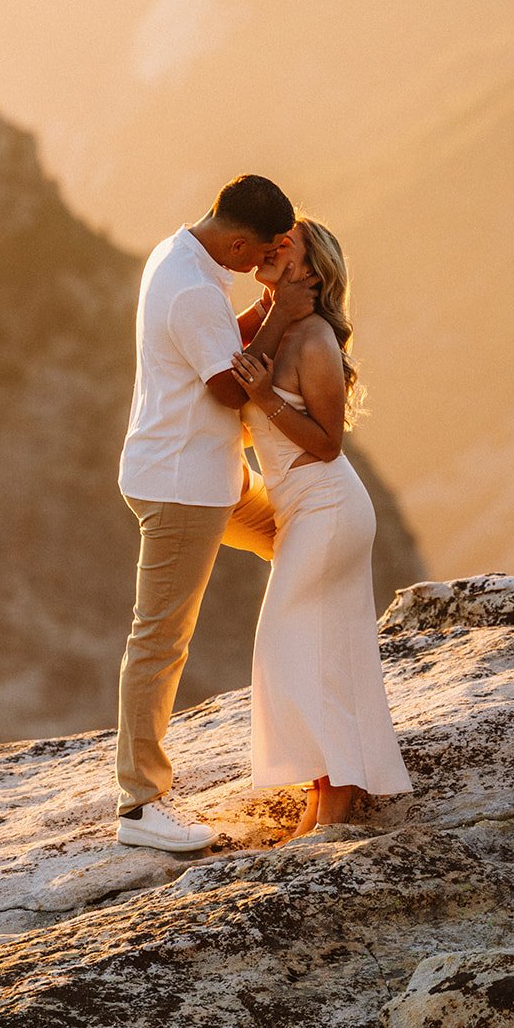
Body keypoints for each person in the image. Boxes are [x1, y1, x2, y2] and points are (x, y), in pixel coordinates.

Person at [115, 174, 317, 853]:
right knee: (159, 639)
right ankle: (141, 806)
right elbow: (232, 389)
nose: (258, 263)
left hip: (206, 477)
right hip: (183, 488)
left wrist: (267, 303)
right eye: (257, 253)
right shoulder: (195, 289)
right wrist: (284, 312)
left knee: (307, 542)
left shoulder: (178, 256)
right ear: (236, 240)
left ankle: (311, 717)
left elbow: (213, 344)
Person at [231, 216, 412, 838]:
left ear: (310, 268)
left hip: (328, 506)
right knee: (318, 652)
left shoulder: (313, 340)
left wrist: (270, 397)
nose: (271, 246)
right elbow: (222, 367)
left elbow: (330, 443)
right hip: (301, 508)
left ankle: (337, 802)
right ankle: (325, 796)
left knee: (292, 646)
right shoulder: (275, 325)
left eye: (286, 245)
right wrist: (269, 310)